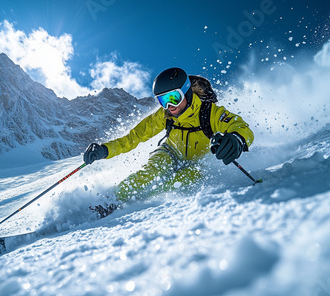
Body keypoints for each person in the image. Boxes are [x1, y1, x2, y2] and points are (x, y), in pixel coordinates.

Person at [84, 67, 254, 217]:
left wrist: (236, 139)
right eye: (163, 100)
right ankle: (110, 202)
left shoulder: (210, 113)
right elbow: (134, 137)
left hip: (196, 163)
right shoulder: (164, 115)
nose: (170, 106)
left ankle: (140, 205)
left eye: (174, 97)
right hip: (169, 153)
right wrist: (105, 150)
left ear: (187, 92)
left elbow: (241, 127)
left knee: (182, 181)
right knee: (151, 173)